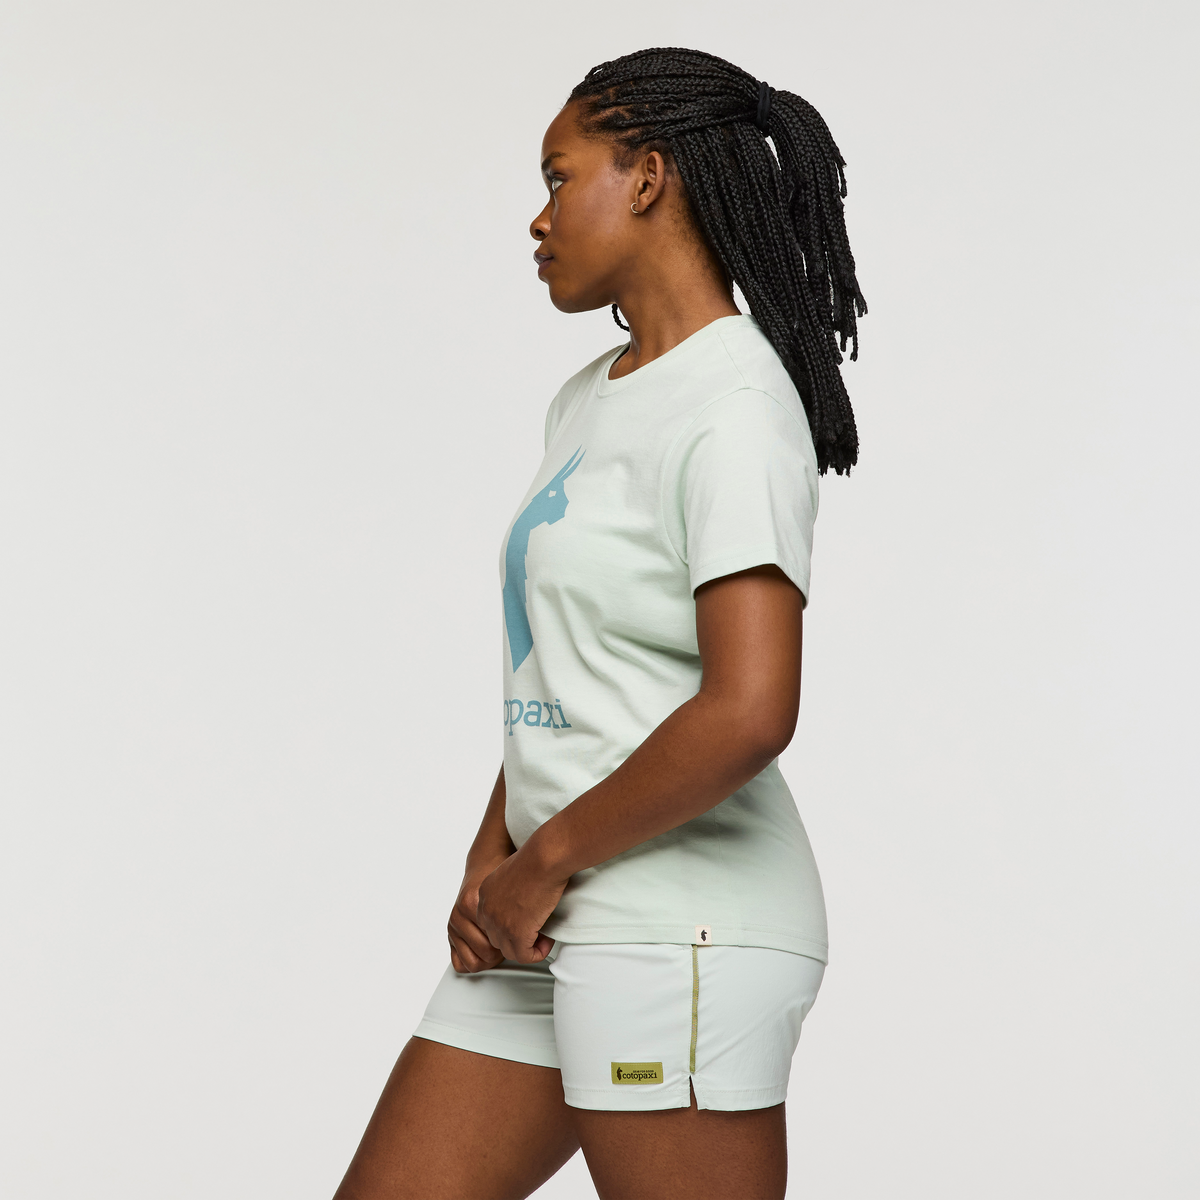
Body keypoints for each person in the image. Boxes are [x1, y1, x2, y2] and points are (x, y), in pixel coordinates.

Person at [334, 46, 866, 1200]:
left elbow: (750, 710)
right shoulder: (591, 396)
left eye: (557, 176)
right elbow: (571, 672)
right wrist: (496, 854)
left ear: (648, 177)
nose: (537, 218)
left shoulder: (734, 406)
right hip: (549, 906)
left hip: (681, 929)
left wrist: (545, 859)